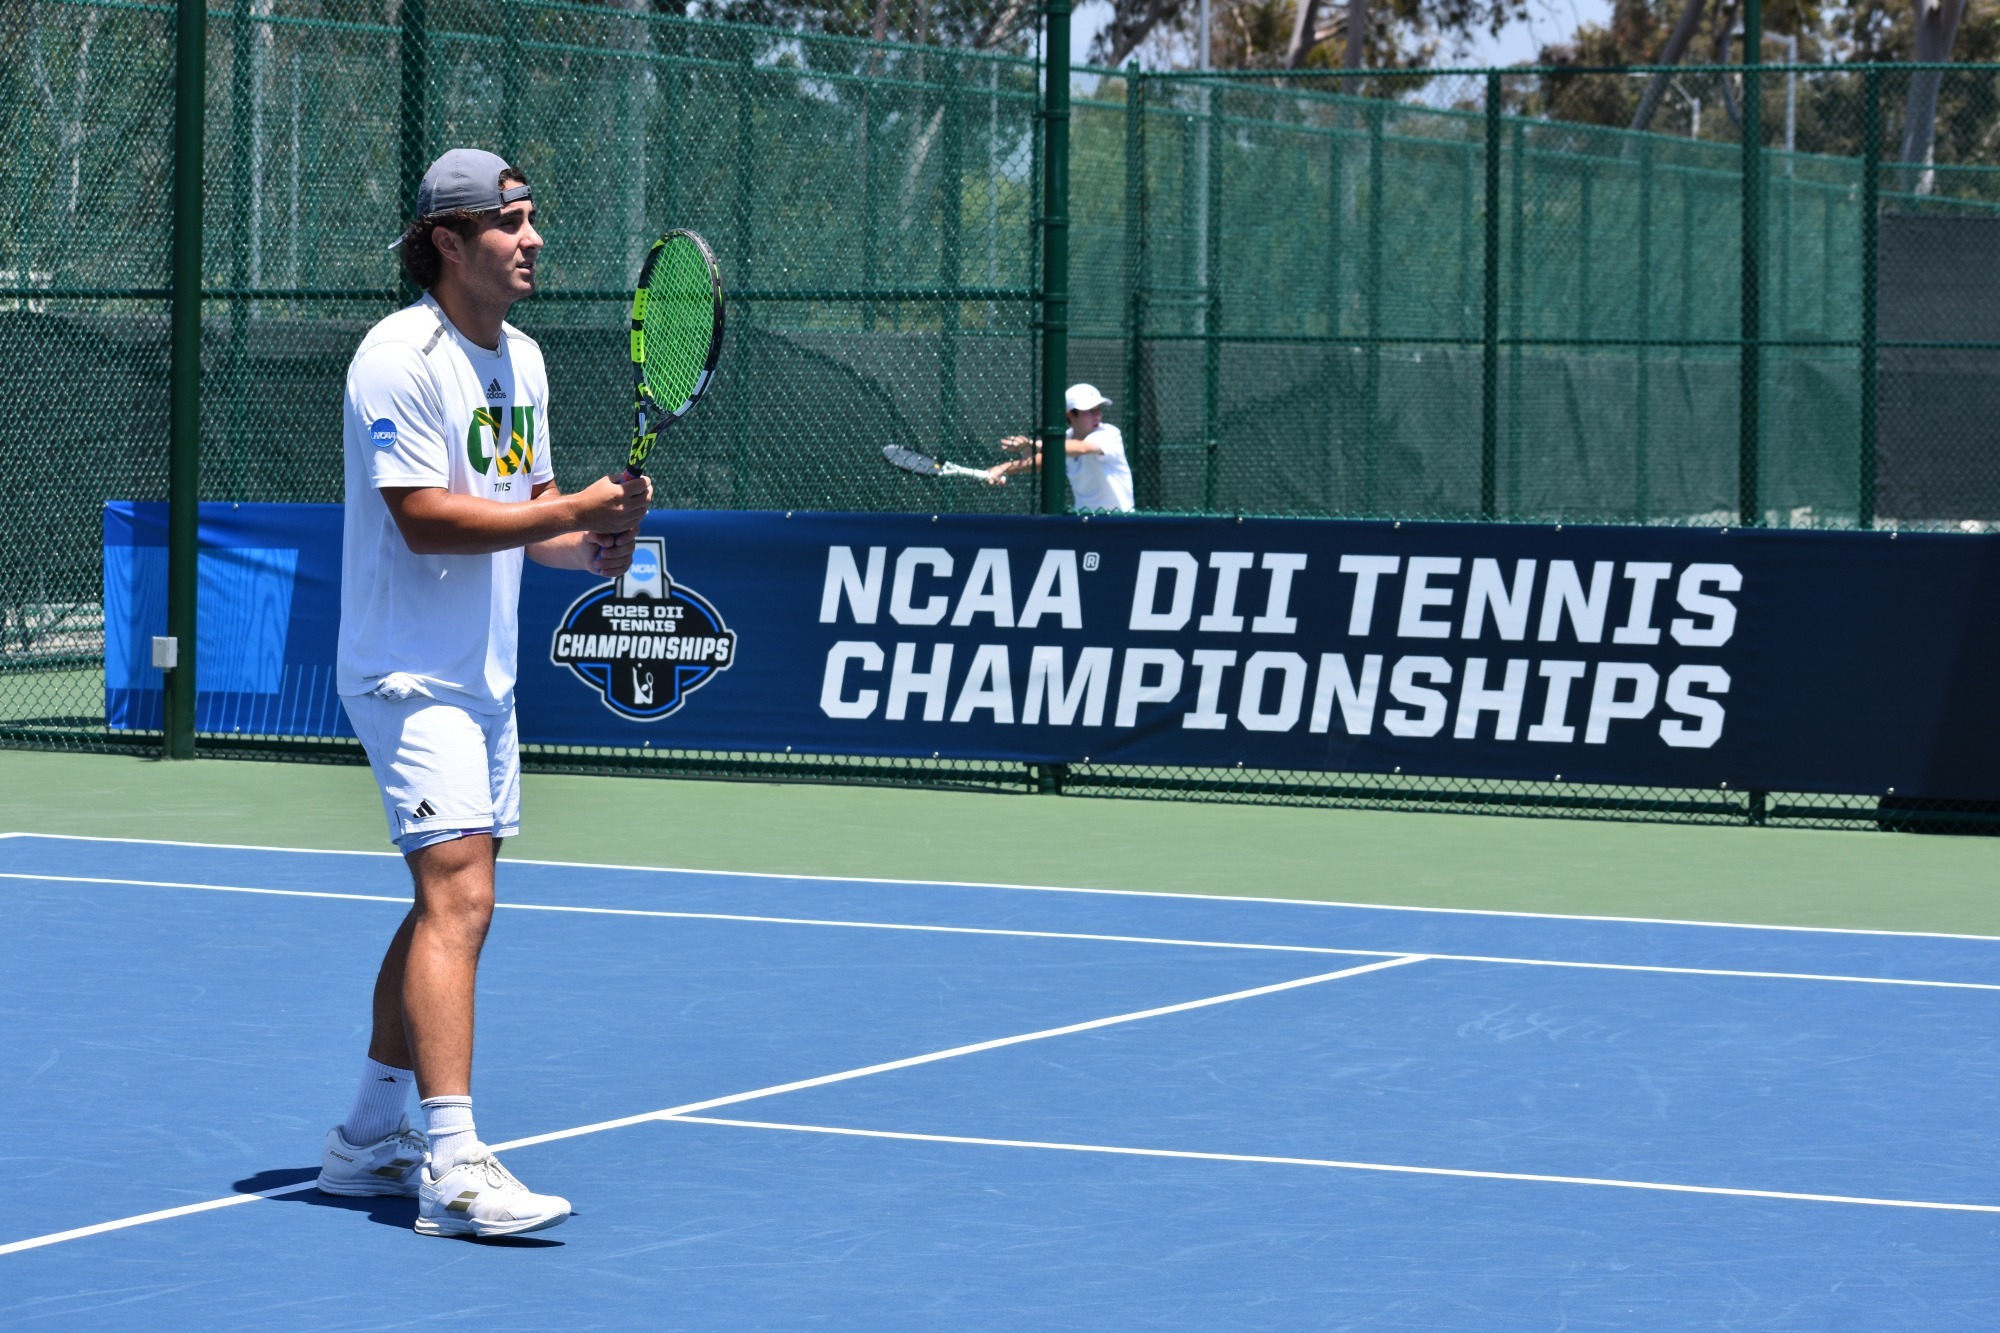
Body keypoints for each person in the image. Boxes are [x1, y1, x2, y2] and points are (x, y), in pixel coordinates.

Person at [315, 148, 651, 1239]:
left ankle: (365, 1137)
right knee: (461, 899)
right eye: (510, 221)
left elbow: (532, 509)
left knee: (444, 905)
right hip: (407, 673)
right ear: (449, 241)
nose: (532, 238)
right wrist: (571, 509)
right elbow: (422, 515)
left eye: (533, 217)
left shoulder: (527, 360)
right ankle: (452, 1163)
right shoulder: (396, 357)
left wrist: (588, 540)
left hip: (485, 676)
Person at [987, 383, 1135, 512]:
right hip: (1084, 520)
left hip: (1120, 520)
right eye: (1089, 410)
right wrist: (1002, 468)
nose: (1097, 415)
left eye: (1098, 409)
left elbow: (1082, 448)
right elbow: (1041, 461)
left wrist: (1033, 444)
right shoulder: (1066, 440)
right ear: (1070, 415)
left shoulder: (1109, 434)